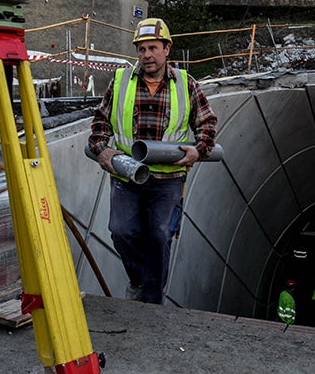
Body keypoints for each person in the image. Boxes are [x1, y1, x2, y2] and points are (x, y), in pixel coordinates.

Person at [88, 18, 218, 304]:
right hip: (127, 177)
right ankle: (139, 280)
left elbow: (207, 123)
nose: (147, 54)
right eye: (141, 49)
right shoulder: (122, 81)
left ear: (166, 49)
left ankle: (151, 302)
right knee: (122, 232)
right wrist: (102, 150)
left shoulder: (186, 84)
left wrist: (199, 149)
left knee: (159, 237)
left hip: (168, 179)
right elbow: (101, 120)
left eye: (153, 48)